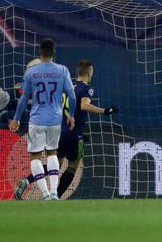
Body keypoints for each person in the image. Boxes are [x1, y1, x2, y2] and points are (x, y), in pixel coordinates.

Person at [13, 60, 118, 199]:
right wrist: (105, 111)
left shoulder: (65, 86)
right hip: (74, 133)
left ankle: (27, 180)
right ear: (90, 72)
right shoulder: (86, 88)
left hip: (57, 131)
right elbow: (84, 105)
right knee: (72, 166)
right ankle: (56, 196)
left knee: (55, 163)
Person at [9, 38, 76, 200]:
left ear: (40, 52)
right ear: (54, 52)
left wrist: (16, 118)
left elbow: (24, 99)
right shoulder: (62, 70)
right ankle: (54, 193)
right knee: (53, 154)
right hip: (55, 119)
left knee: (36, 157)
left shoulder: (31, 72)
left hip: (37, 120)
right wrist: (71, 115)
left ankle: (45, 194)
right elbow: (72, 96)